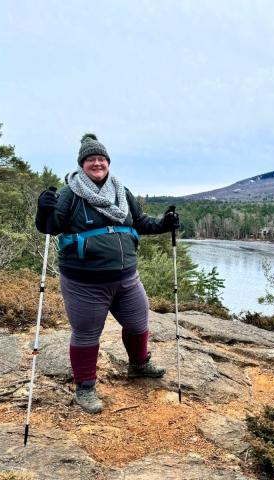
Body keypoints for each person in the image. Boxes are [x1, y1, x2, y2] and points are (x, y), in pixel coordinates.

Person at [35, 133, 179, 414]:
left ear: (108, 162)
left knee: (138, 323)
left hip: (127, 278)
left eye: (101, 158)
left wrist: (164, 223)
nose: (97, 163)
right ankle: (85, 388)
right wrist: (43, 211)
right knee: (87, 334)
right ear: (82, 164)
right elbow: (50, 226)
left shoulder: (121, 192)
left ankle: (138, 365)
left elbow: (140, 222)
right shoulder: (70, 194)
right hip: (84, 282)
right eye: (91, 159)